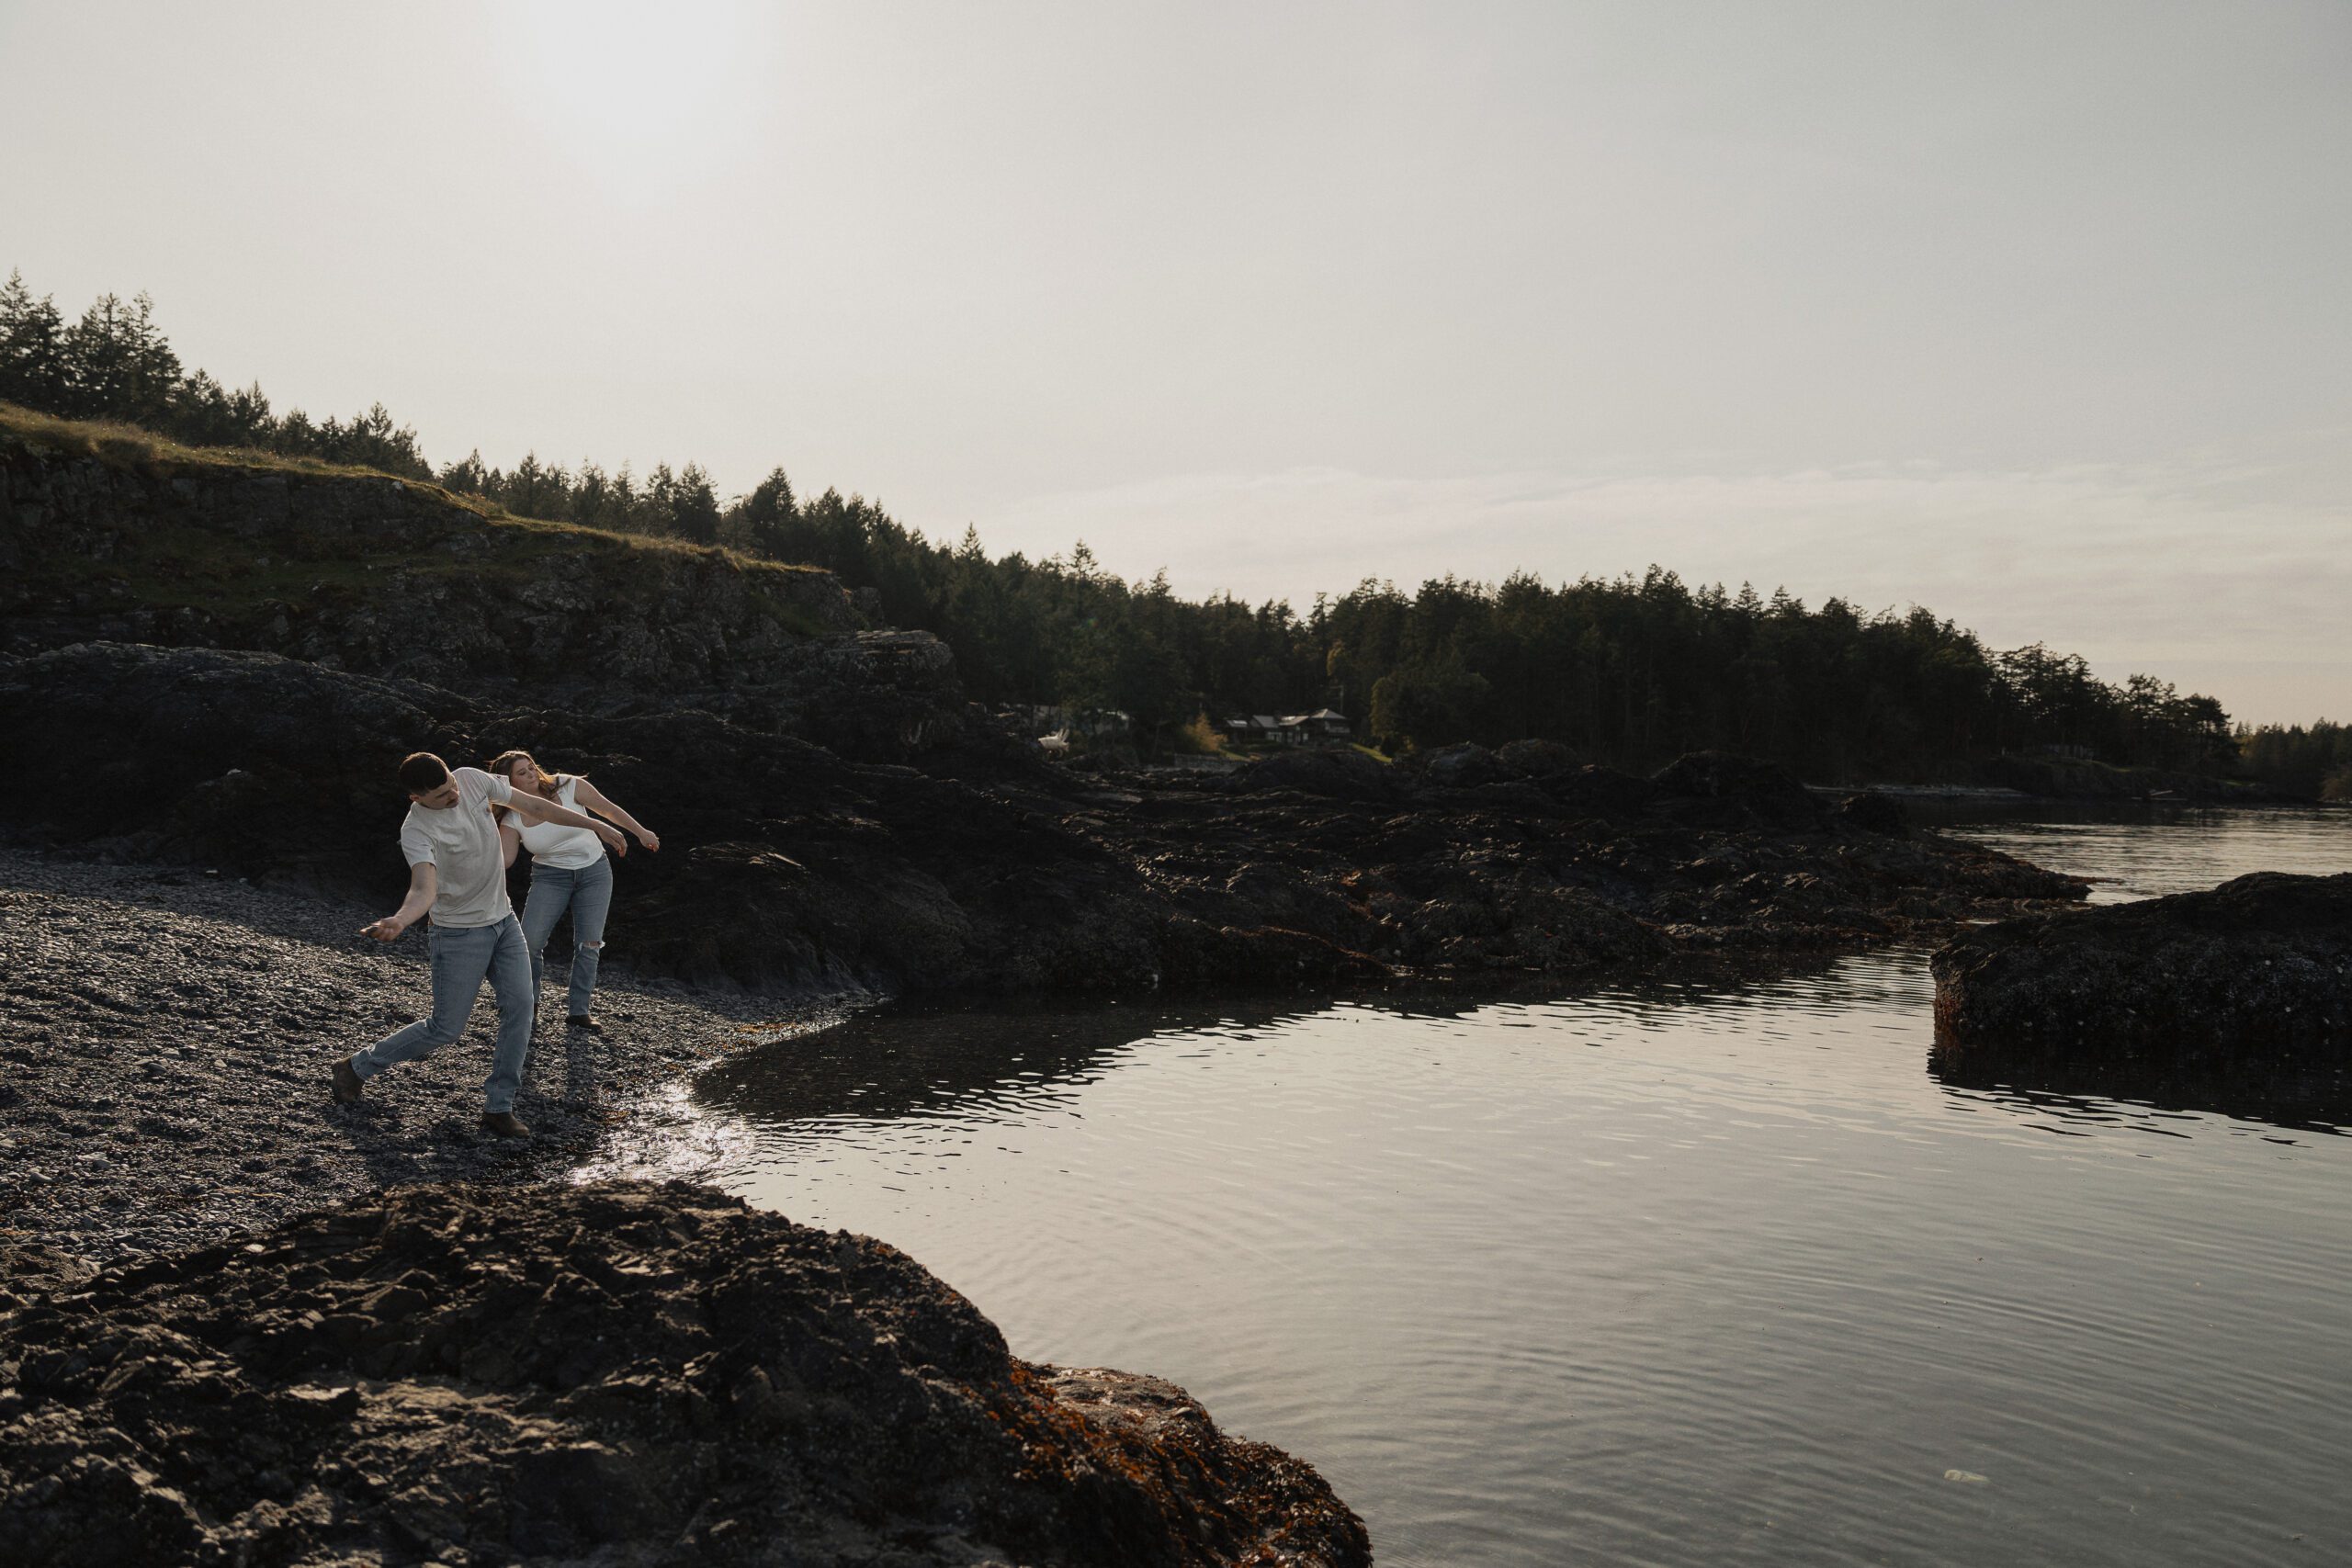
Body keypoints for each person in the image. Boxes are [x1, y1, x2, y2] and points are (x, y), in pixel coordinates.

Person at [332, 751, 627, 1137]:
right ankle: (356, 1067)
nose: (453, 796)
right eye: (440, 795)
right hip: (457, 933)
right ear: (416, 799)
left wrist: (596, 825)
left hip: (504, 923)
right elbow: (424, 888)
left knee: (521, 1009)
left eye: (450, 786)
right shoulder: (417, 831)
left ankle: (498, 1107)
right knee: (446, 1028)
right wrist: (401, 920)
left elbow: (535, 805)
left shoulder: (471, 779)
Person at [486, 749, 659, 1031]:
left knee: (589, 943)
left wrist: (641, 832)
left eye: (531, 767)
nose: (531, 774)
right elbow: (505, 860)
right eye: (522, 772)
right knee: (529, 943)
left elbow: (607, 808)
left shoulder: (567, 785)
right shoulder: (511, 817)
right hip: (550, 877)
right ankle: (529, 1006)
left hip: (595, 872)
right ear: (508, 782)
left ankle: (579, 1011)